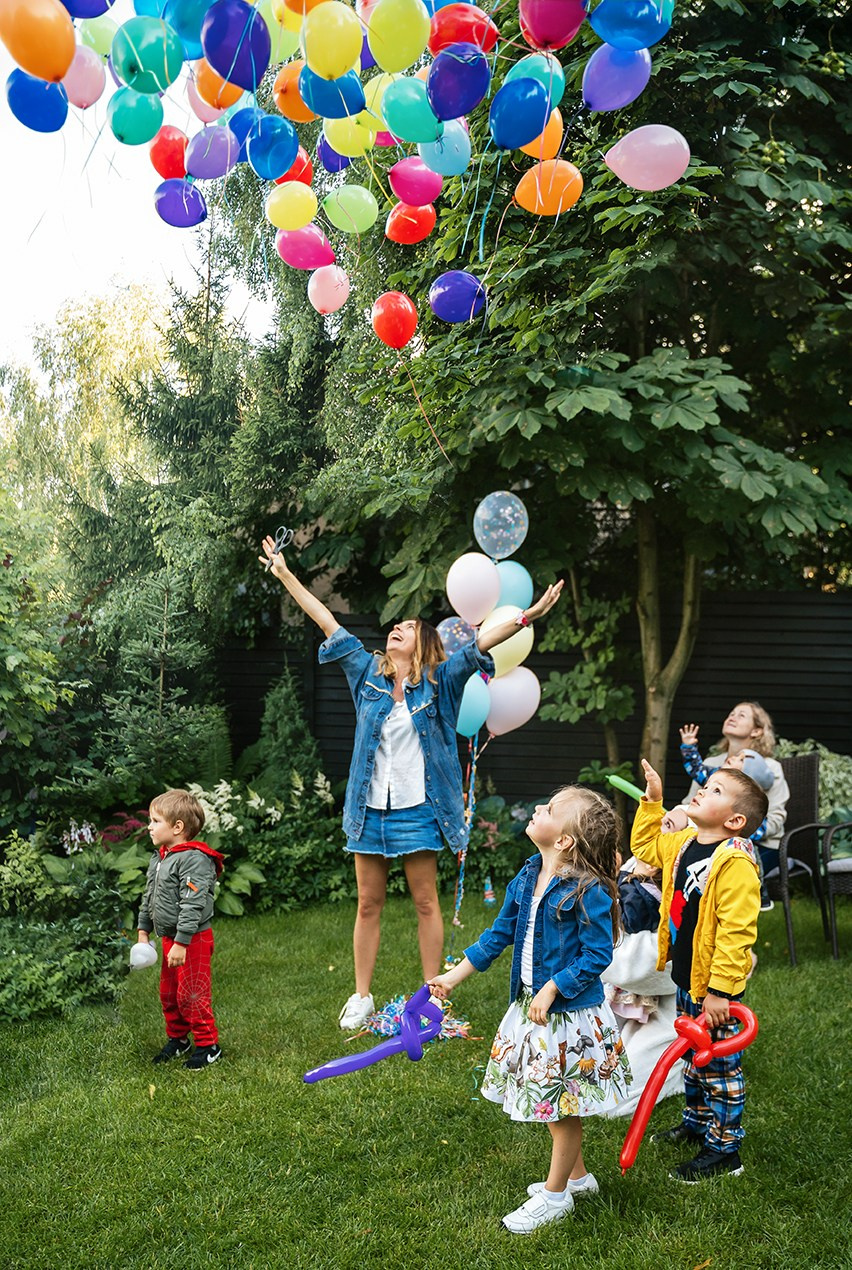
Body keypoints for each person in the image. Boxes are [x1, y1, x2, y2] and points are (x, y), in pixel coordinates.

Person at [259, 533, 562, 1030]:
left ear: (423, 645)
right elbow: (325, 619)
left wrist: (529, 614)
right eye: (395, 626)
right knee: (367, 902)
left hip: (420, 808)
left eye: (407, 626)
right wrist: (286, 573)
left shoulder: (440, 684)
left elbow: (483, 641)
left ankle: (434, 996)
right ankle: (361, 996)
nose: (396, 628)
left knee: (425, 901)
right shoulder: (367, 675)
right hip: (369, 809)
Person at [428, 787, 631, 1234]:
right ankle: (578, 1179)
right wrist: (451, 977)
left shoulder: (589, 889)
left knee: (560, 1110)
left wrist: (554, 988)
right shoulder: (527, 876)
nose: (538, 808)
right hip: (534, 1010)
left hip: (567, 1016)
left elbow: (597, 956)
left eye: (550, 810)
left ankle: (555, 1198)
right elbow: (498, 935)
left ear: (564, 841)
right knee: (557, 1105)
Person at [631, 758, 766, 1181]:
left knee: (720, 1067)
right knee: (694, 1056)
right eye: (706, 785)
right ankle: (697, 1123)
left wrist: (722, 991)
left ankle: (725, 1150)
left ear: (735, 820)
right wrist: (652, 801)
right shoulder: (686, 843)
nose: (704, 790)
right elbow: (645, 847)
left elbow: (736, 932)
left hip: (716, 990)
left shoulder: (735, 864)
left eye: (717, 791)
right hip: (688, 978)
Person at [136, 789, 224, 1069]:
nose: (149, 826)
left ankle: (208, 1044)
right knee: (169, 992)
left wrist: (182, 942)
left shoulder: (194, 859)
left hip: (191, 939)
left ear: (177, 827)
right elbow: (149, 896)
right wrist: (143, 930)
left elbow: (193, 904)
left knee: (192, 993)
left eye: (155, 820)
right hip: (170, 939)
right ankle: (178, 1038)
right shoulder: (161, 857)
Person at [675, 703, 789, 910]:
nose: (732, 717)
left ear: (757, 730)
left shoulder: (767, 769)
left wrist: (742, 830)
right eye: (731, 713)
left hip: (759, 844)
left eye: (742, 715)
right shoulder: (712, 764)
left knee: (711, 858)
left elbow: (776, 818)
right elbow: (689, 803)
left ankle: (710, 918)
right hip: (705, 836)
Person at [601, 856, 685, 1119]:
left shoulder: (699, 863)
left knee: (615, 1101)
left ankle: (687, 1066)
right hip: (619, 995)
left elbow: (652, 964)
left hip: (674, 1008)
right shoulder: (635, 862)